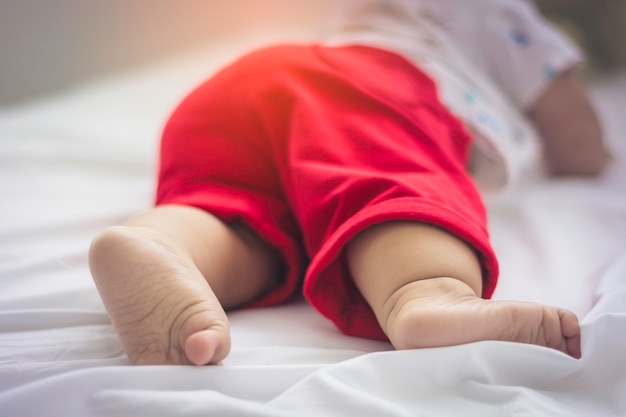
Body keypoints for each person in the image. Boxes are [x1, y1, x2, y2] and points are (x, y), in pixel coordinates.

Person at [88, 0, 610, 366]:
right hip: (370, 85)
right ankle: (426, 292)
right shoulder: (503, 14)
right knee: (391, 182)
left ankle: (164, 244)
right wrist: (590, 158)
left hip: (243, 88)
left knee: (246, 220)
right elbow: (575, 135)